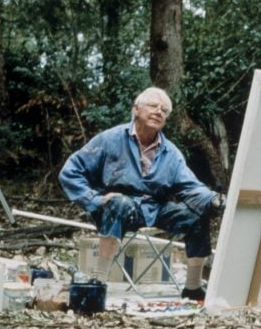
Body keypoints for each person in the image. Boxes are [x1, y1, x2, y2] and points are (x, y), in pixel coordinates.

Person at [59, 87, 224, 301]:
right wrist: (95, 199)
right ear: (136, 109)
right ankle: (98, 282)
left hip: (155, 208)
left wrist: (213, 200)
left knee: (197, 216)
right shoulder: (110, 139)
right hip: (116, 208)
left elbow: (191, 187)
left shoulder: (171, 153)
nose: (159, 112)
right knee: (119, 203)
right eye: (153, 106)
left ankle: (192, 287)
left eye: (164, 110)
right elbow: (70, 171)